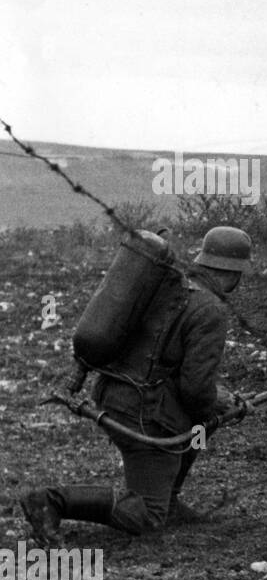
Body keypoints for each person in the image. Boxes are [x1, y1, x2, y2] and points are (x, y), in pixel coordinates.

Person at [20, 226, 253, 542]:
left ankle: (168, 499)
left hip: (114, 395)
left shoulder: (171, 287)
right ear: (235, 272)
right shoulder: (210, 309)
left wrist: (222, 401)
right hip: (143, 415)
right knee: (146, 517)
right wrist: (224, 406)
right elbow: (196, 390)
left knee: (203, 423)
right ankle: (50, 500)